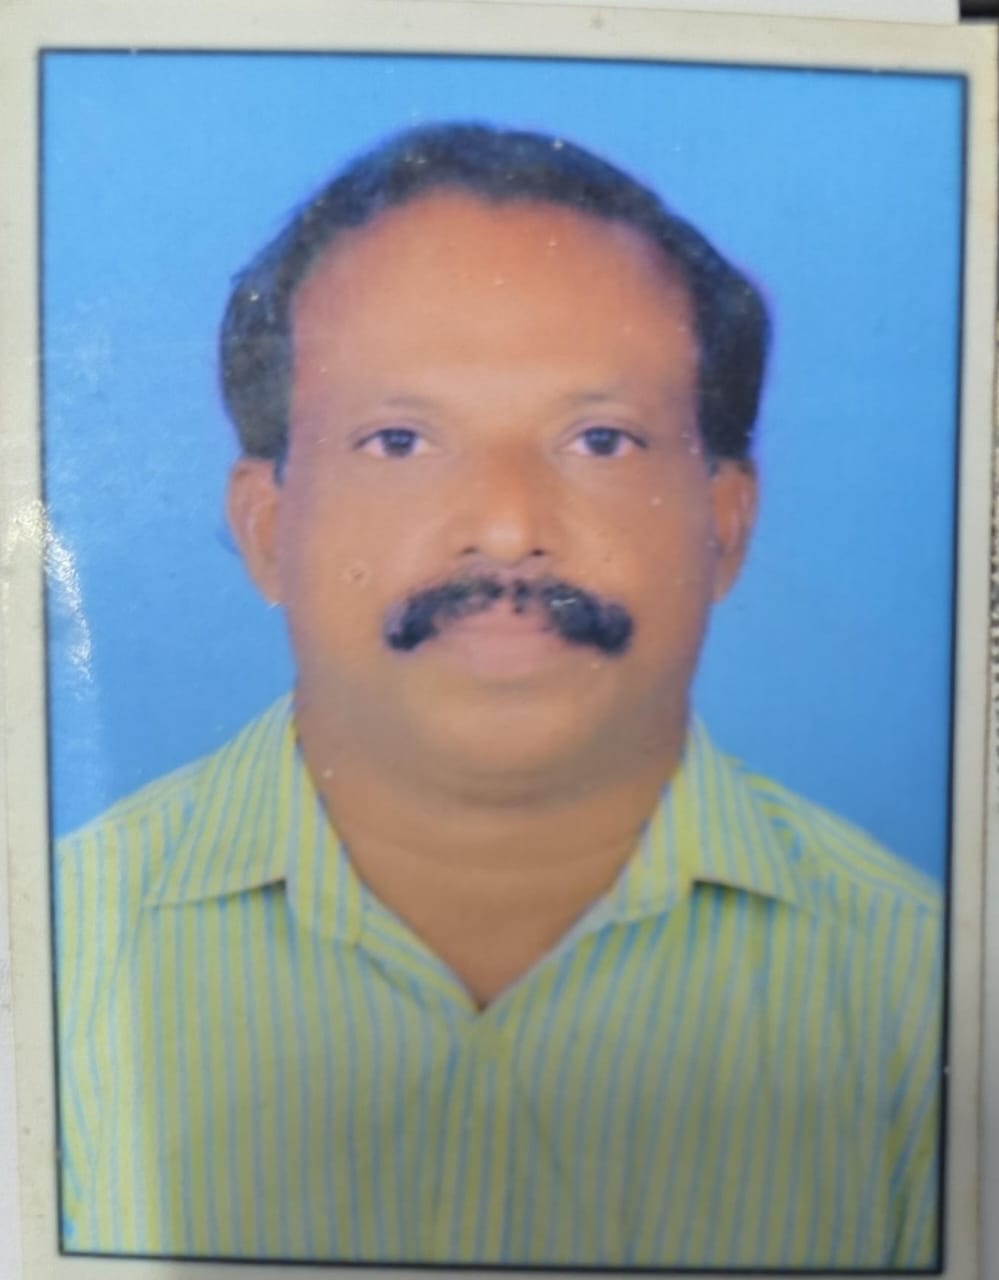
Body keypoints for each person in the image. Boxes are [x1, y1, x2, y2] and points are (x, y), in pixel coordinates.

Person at [55, 122, 943, 1270]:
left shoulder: (926, 992)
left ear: (725, 525)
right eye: (400, 439)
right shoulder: (50, 958)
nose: (511, 527)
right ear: (267, 528)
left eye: (600, 440)